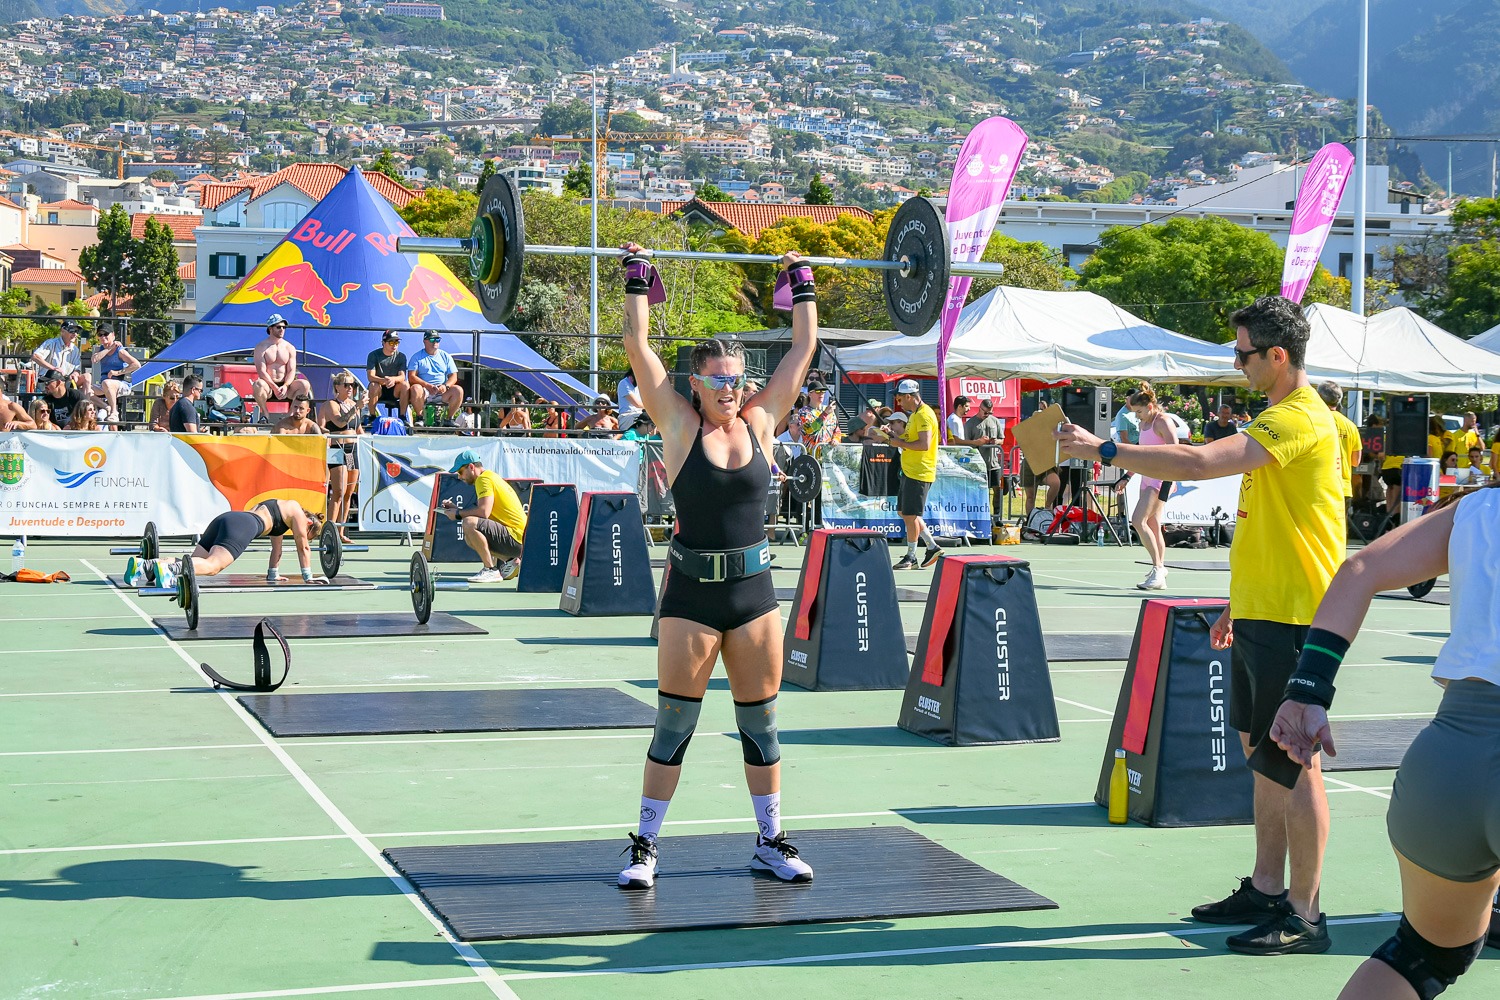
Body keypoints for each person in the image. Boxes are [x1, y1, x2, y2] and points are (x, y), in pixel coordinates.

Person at [1056, 294, 1345, 956]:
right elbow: (1277, 524)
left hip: (1299, 617)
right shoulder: (1279, 414)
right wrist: (1239, 603)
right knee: (1262, 756)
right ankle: (1268, 888)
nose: (1235, 363)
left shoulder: (1300, 416)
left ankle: (1307, 913)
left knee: (1294, 764)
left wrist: (1106, 448)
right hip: (1265, 609)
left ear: (1276, 356)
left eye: (1242, 353)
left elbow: (1195, 464)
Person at [614, 243, 817, 891]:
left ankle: (770, 841)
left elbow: (802, 349)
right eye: (720, 379)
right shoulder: (675, 423)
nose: (732, 388)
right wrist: (637, 277)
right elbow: (635, 343)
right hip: (691, 596)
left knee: (761, 723)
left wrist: (800, 279)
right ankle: (644, 845)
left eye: (738, 378)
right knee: (674, 724)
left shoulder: (760, 423)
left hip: (753, 595)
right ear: (694, 383)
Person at [1266, 482, 1500, 999]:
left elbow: (1360, 570)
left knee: (1421, 957)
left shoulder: (1479, 507)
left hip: (1446, 766)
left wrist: (1307, 690)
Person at [130, 498, 327, 588]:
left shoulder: (282, 513)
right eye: (307, 533)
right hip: (244, 525)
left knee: (196, 561)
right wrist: (308, 577)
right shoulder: (296, 510)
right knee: (213, 567)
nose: (299, 533)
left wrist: (273, 575)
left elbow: (277, 549)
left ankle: (144, 566)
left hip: (228, 518)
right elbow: (304, 547)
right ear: (309, 523)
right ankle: (171, 570)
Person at [880, 378, 942, 570]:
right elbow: (909, 439)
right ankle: (931, 546)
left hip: (920, 471)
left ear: (909, 396)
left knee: (909, 514)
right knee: (904, 512)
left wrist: (900, 443)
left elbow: (924, 445)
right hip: (910, 471)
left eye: (899, 398)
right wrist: (891, 436)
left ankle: (911, 556)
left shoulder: (924, 415)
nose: (898, 402)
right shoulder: (915, 415)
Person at [442, 449, 526, 584]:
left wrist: (457, 514)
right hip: (519, 539)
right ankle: (511, 561)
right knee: (469, 536)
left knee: (469, 523)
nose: (459, 476)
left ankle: (490, 570)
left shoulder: (483, 479)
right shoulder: (490, 477)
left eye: (460, 472)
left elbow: (483, 512)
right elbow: (483, 515)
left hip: (516, 538)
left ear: (471, 467)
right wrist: (456, 509)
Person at [1127, 384, 1176, 591]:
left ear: (1150, 406)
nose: (1138, 417)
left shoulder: (1163, 421)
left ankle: (1157, 569)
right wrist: (1126, 476)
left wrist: (1168, 479)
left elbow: (1177, 450)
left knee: (1138, 520)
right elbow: (1141, 451)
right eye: (1135, 413)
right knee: (1154, 525)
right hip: (1146, 477)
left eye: (1139, 412)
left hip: (1161, 479)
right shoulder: (1143, 424)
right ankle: (1160, 571)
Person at [319, 374, 361, 544]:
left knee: (349, 493)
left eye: (353, 385)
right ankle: (328, 530)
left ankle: (340, 531)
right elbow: (340, 422)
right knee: (338, 491)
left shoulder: (353, 405)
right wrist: (357, 407)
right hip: (337, 449)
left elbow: (357, 428)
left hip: (352, 450)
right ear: (337, 387)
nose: (350, 388)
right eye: (347, 385)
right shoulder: (331, 405)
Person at [251, 315, 312, 417]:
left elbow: (291, 370)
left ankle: (290, 415)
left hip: (286, 386)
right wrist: (274, 387)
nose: (282, 329)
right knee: (258, 384)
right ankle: (265, 414)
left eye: (284, 327)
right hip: (268, 386)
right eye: (279, 327)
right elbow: (261, 371)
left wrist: (286, 385)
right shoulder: (261, 347)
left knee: (304, 384)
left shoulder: (289, 347)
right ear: (270, 328)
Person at [1317, 381, 1363, 505]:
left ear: (1319, 397)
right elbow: (1355, 461)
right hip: (1343, 488)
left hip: (1320, 487)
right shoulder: (1350, 426)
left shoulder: (1314, 421)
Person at [407, 331, 464, 425]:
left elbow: (453, 376)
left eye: (437, 339)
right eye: (432, 339)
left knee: (458, 390)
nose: (435, 342)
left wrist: (446, 386)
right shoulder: (417, 357)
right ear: (425, 341)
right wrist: (427, 385)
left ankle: (449, 419)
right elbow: (411, 376)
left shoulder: (446, 356)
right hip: (424, 391)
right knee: (415, 388)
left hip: (442, 391)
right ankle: (420, 418)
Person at [89, 328, 141, 423]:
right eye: (100, 335)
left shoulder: (120, 351)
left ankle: (114, 412)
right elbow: (94, 359)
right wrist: (109, 348)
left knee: (107, 383)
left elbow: (136, 364)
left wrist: (118, 372)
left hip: (122, 383)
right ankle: (106, 407)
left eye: (106, 334)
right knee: (85, 390)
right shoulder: (100, 349)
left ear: (112, 335)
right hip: (104, 385)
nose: (103, 337)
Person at [31, 322, 90, 393]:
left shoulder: (75, 350)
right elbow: (35, 356)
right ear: (62, 331)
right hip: (48, 381)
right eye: (72, 331)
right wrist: (54, 368)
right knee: (59, 383)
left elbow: (77, 369)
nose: (75, 334)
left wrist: (75, 374)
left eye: (77, 332)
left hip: (66, 381)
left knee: (87, 377)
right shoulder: (51, 343)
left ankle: (87, 403)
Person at [366, 330, 411, 422]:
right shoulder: (373, 355)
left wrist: (392, 379)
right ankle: (372, 416)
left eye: (397, 342)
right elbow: (370, 376)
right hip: (379, 389)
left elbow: (402, 376)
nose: (394, 345)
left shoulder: (401, 356)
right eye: (391, 342)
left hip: (395, 389)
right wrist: (384, 380)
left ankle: (402, 416)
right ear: (383, 343)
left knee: (405, 385)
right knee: (373, 385)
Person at [788, 380, 840, 458]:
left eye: (823, 391)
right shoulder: (804, 412)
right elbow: (810, 430)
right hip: (810, 456)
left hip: (828, 455)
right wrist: (825, 414)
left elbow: (836, 429)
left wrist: (836, 439)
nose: (821, 394)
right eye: (818, 391)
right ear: (810, 394)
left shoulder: (829, 410)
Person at [966, 397, 1006, 495]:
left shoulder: (995, 421)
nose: (987, 415)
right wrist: (979, 442)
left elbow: (1002, 440)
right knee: (981, 491)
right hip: (978, 464)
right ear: (980, 408)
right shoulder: (970, 423)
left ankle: (997, 510)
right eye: (985, 412)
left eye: (990, 413)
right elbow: (966, 443)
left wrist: (996, 441)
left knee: (998, 490)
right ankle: (983, 510)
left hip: (994, 464)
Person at [617, 365, 644, 429]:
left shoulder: (639, 385)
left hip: (638, 413)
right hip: (626, 416)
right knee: (646, 418)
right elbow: (637, 404)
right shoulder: (624, 383)